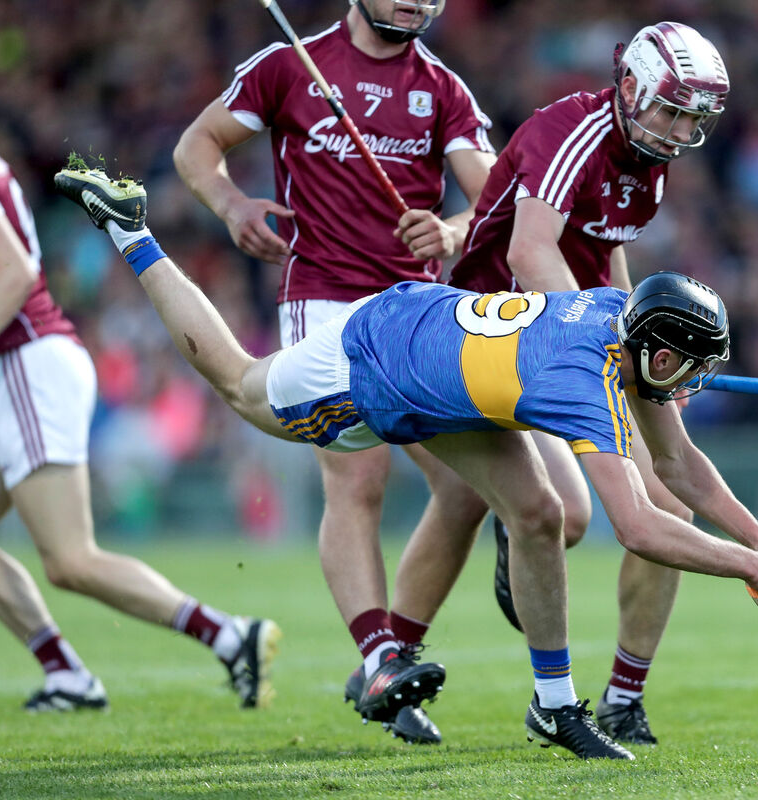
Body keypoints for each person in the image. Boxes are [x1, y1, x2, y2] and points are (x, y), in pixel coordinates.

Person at [55, 165, 758, 760]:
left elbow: (685, 469)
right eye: (688, 368)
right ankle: (132, 232)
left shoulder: (617, 325)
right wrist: (744, 566)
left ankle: (555, 707)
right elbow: (641, 529)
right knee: (237, 381)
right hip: (379, 359)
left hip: (452, 379)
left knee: (538, 512)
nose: (692, 385)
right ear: (656, 351)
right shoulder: (590, 380)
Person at [393, 20, 732, 745]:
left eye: (692, 118)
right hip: (495, 334)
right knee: (562, 518)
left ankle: (622, 697)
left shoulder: (650, 162)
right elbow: (528, 247)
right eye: (672, 109)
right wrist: (608, 337)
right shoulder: (569, 130)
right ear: (633, 86)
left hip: (572, 338)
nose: (679, 129)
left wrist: (652, 339)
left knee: (668, 502)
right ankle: (401, 644)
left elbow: (607, 261)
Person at [173, 0, 496, 743]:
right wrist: (229, 205)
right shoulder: (290, 63)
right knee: (358, 478)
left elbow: (489, 200)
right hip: (322, 300)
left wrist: (447, 230)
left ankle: (391, 654)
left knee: (466, 490)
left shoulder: (444, 88)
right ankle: (379, 649)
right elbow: (199, 145)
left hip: (415, 309)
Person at [0, 146, 279, 713]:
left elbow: (15, 272)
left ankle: (227, 634)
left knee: (71, 560)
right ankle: (66, 674)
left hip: (26, 363)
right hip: (24, 367)